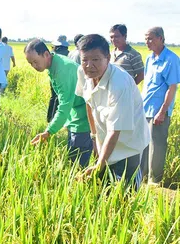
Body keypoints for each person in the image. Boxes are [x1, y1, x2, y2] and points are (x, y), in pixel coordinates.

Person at [76, 34, 149, 191]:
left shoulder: (119, 83)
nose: (89, 65)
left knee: (125, 195)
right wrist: (94, 139)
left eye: (95, 59)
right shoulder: (83, 73)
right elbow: (88, 103)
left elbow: (115, 130)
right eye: (84, 60)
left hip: (128, 147)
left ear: (108, 58)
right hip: (105, 141)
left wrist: (99, 164)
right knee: (102, 190)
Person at [25, 39, 92, 167]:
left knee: (77, 162)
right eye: (30, 63)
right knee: (73, 155)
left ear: (45, 54)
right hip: (76, 114)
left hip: (84, 117)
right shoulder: (54, 63)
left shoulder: (62, 70)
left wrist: (48, 132)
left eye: (35, 61)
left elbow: (64, 106)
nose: (34, 66)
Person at [141, 27, 180, 184]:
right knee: (143, 144)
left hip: (159, 111)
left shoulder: (171, 59)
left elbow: (172, 87)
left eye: (150, 38)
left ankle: (155, 181)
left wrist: (162, 111)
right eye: (145, 38)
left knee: (156, 146)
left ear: (161, 38)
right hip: (145, 108)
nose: (147, 42)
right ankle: (142, 177)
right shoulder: (150, 59)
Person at [47, 35, 70, 122]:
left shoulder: (53, 53)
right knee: (59, 98)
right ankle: (54, 119)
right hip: (64, 77)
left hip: (53, 76)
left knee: (53, 96)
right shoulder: (67, 53)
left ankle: (50, 118)